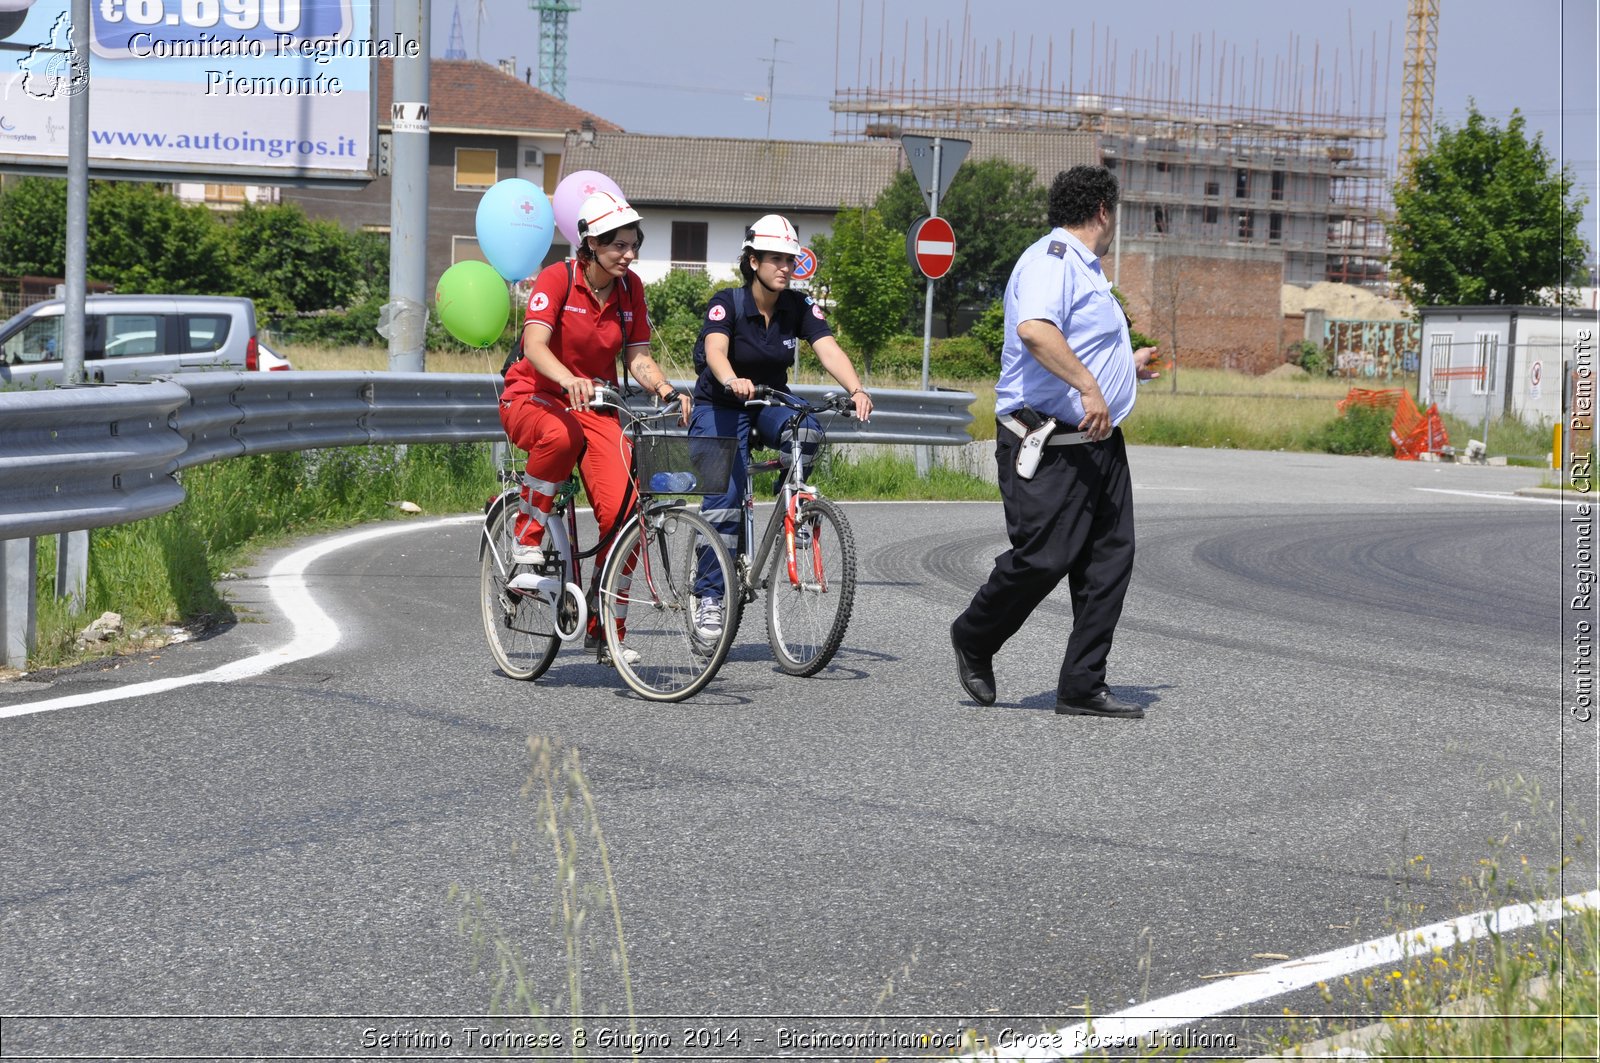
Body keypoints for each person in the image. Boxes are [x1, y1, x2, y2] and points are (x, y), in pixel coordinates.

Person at [949, 165, 1160, 719]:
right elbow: (1036, 331)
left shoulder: (1088, 271)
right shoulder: (1052, 260)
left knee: (1109, 561)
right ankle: (974, 635)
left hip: (1098, 442)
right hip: (1045, 441)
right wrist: (1090, 385)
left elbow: (1079, 343)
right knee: (1044, 558)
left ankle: (1083, 685)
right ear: (1102, 211)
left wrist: (1124, 367)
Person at [498, 190, 689, 667]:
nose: (629, 254)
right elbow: (536, 343)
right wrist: (568, 379)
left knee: (626, 512)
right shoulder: (558, 278)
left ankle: (607, 631)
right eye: (618, 246)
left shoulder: (632, 289)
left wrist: (666, 389)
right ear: (590, 244)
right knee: (562, 437)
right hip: (535, 395)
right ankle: (526, 535)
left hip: (596, 404)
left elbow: (638, 356)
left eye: (633, 244)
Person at [685, 214, 874, 639]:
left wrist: (857, 388)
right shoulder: (728, 303)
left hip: (767, 402)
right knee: (724, 501)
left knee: (807, 429)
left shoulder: (798, 306)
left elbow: (828, 349)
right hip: (720, 405)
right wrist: (731, 377)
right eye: (775, 259)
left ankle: (794, 508)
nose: (785, 267)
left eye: (790, 259)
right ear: (753, 261)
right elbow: (716, 350)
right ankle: (710, 596)